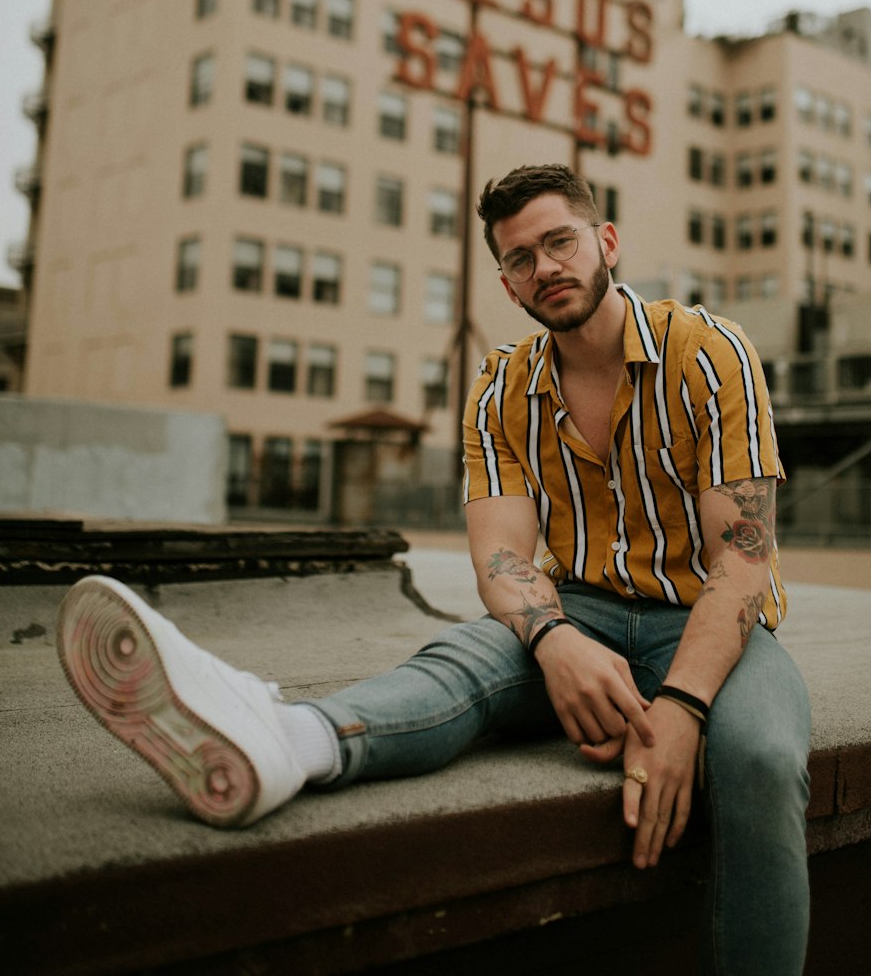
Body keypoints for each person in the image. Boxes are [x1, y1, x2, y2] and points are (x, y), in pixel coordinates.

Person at [57, 163, 811, 975]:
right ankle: (284, 743)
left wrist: (683, 709)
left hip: (707, 624)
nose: (545, 267)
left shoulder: (707, 351)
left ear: (607, 243)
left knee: (762, 759)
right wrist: (553, 640)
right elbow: (499, 559)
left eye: (560, 241)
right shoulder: (501, 387)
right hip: (581, 610)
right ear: (508, 284)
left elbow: (742, 560)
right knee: (459, 666)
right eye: (520, 259)